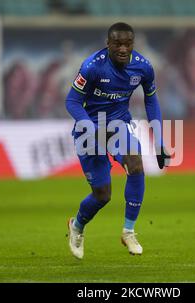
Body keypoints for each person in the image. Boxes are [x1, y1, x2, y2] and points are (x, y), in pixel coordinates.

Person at [65, 22, 169, 259]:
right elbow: (71, 102)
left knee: (136, 164)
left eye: (128, 44)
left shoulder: (143, 67)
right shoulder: (92, 67)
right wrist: (91, 128)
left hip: (119, 125)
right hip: (88, 130)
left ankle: (129, 231)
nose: (123, 49)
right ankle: (77, 226)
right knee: (102, 195)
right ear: (108, 44)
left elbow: (151, 101)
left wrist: (160, 140)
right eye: (118, 44)